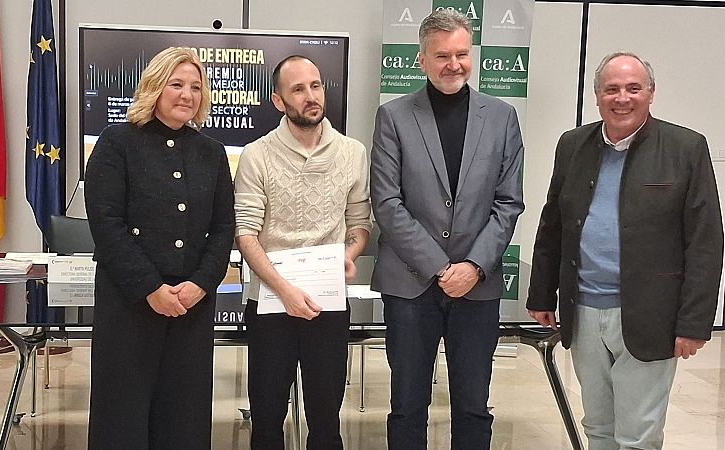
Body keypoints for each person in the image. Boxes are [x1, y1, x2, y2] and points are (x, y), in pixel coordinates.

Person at [527, 52, 723, 450]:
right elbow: (554, 225)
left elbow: (705, 241)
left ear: (651, 93)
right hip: (583, 313)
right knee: (598, 426)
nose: (622, 98)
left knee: (637, 435)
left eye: (634, 88)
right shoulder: (572, 145)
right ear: (597, 95)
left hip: (651, 316)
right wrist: (542, 293)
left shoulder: (686, 147)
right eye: (611, 89)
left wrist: (694, 323)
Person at [370, 9, 524, 450]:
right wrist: (441, 268)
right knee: (406, 406)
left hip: (478, 286)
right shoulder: (394, 116)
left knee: (474, 405)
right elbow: (387, 202)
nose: (453, 64)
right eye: (442, 56)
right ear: (421, 59)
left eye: (461, 54)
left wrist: (473, 266)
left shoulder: (501, 117)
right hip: (410, 285)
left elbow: (508, 202)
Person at [85, 47, 235, 449]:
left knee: (184, 419)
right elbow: (107, 224)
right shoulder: (117, 142)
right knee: (123, 417)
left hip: (191, 304)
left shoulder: (212, 152)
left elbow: (223, 228)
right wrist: (150, 288)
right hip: (130, 303)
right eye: (177, 84)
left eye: (196, 87)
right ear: (154, 86)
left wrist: (202, 283)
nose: (187, 94)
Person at [234, 55, 371, 449]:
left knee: (326, 420)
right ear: (278, 101)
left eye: (315, 85)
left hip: (327, 302)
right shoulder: (256, 155)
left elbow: (360, 223)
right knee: (267, 418)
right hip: (270, 304)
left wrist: (351, 253)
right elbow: (246, 234)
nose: (311, 96)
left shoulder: (352, 152)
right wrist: (284, 290)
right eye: (298, 89)